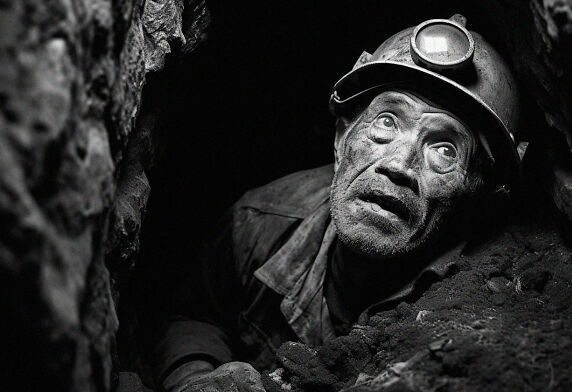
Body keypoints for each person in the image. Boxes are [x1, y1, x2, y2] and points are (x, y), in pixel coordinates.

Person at [153, 14, 522, 392]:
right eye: (388, 121)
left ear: (477, 195)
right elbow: (197, 315)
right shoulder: (260, 221)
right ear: (343, 136)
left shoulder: (479, 311)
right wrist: (192, 377)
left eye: (444, 150)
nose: (398, 165)